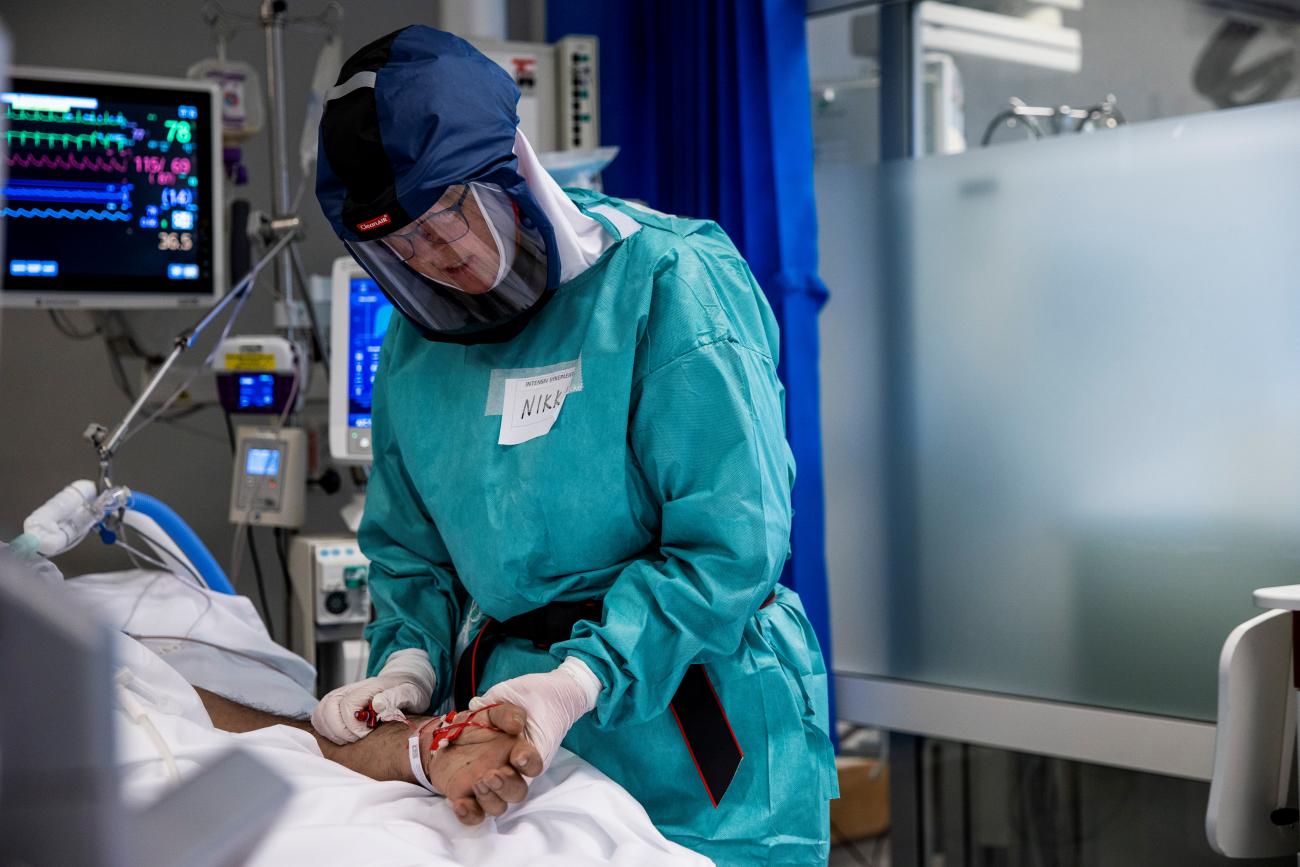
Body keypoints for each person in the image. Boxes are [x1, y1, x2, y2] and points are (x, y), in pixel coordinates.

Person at [312, 26, 837, 866]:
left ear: (512, 171)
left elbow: (730, 547)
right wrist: (405, 667)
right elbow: (412, 556)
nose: (439, 257)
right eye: (402, 247)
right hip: (518, 737)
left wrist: (578, 681)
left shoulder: (666, 282)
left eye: (449, 214)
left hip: (698, 729)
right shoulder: (417, 350)